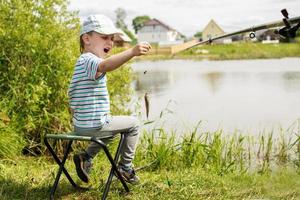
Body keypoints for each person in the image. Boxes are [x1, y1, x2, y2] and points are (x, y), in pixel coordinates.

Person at [68, 14, 151, 184]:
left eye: (112, 38)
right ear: (86, 39)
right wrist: (132, 52)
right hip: (95, 125)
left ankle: (86, 157)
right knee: (134, 124)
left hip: (81, 126)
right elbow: (105, 66)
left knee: (111, 132)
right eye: (104, 37)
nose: (110, 42)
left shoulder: (81, 63)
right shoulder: (89, 60)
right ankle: (125, 168)